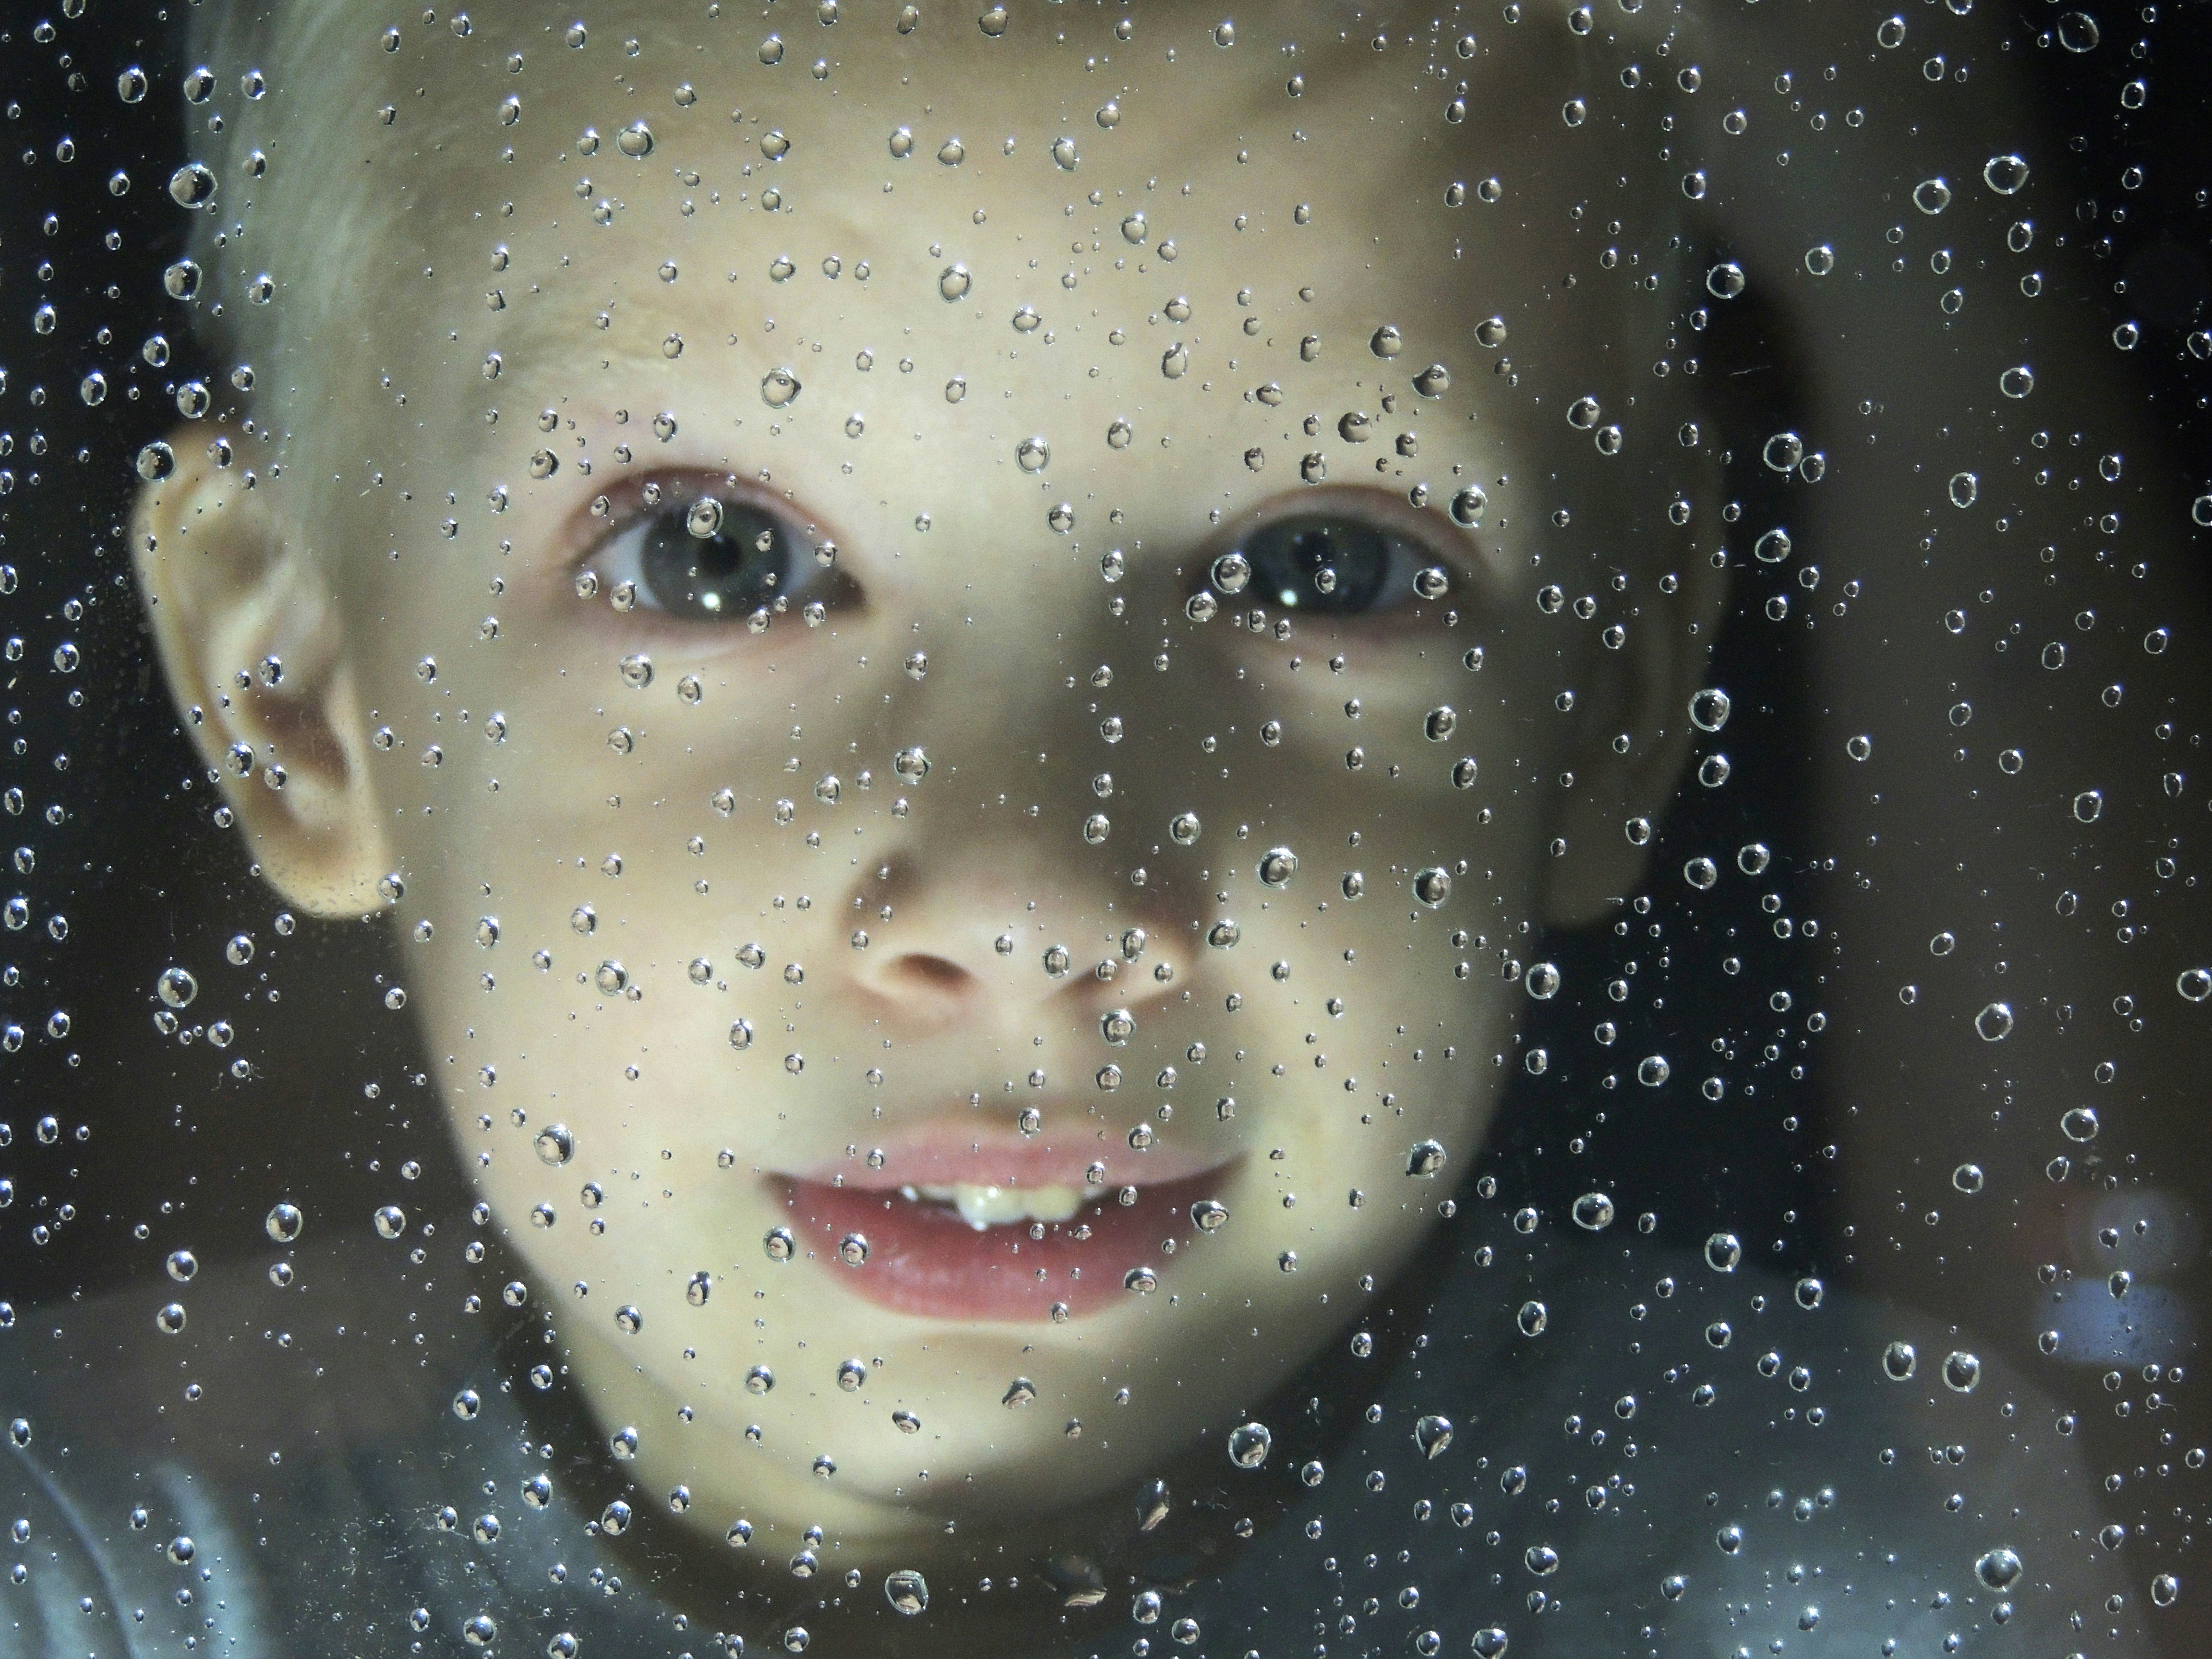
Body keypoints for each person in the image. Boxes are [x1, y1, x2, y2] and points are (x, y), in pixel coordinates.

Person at [3, 2, 2164, 1655]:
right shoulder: (92, 1572)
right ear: (295, 696)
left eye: (1321, 570)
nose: (1032, 898)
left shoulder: (1860, 1553)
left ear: (1608, 706)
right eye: (715, 559)